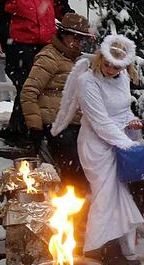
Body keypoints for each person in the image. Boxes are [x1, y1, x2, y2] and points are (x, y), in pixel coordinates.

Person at [53, 34, 144, 265]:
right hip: (96, 145)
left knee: (117, 197)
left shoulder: (122, 76)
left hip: (118, 141)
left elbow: (123, 111)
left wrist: (131, 123)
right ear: (100, 57)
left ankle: (114, 252)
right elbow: (100, 121)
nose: (113, 70)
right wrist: (126, 144)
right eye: (108, 64)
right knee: (105, 200)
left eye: (119, 66)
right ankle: (95, 253)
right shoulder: (86, 81)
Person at [20, 13, 92, 190]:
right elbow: (29, 92)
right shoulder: (49, 57)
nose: (78, 42)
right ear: (63, 35)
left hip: (76, 124)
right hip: (56, 125)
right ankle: (74, 208)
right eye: (75, 37)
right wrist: (35, 127)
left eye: (82, 38)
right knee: (74, 168)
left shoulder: (77, 60)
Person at [0, 0, 73, 142]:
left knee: (46, 86)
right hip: (18, 41)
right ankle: (28, 133)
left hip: (47, 41)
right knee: (27, 85)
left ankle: (19, 129)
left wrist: (75, 24)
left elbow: (61, 7)